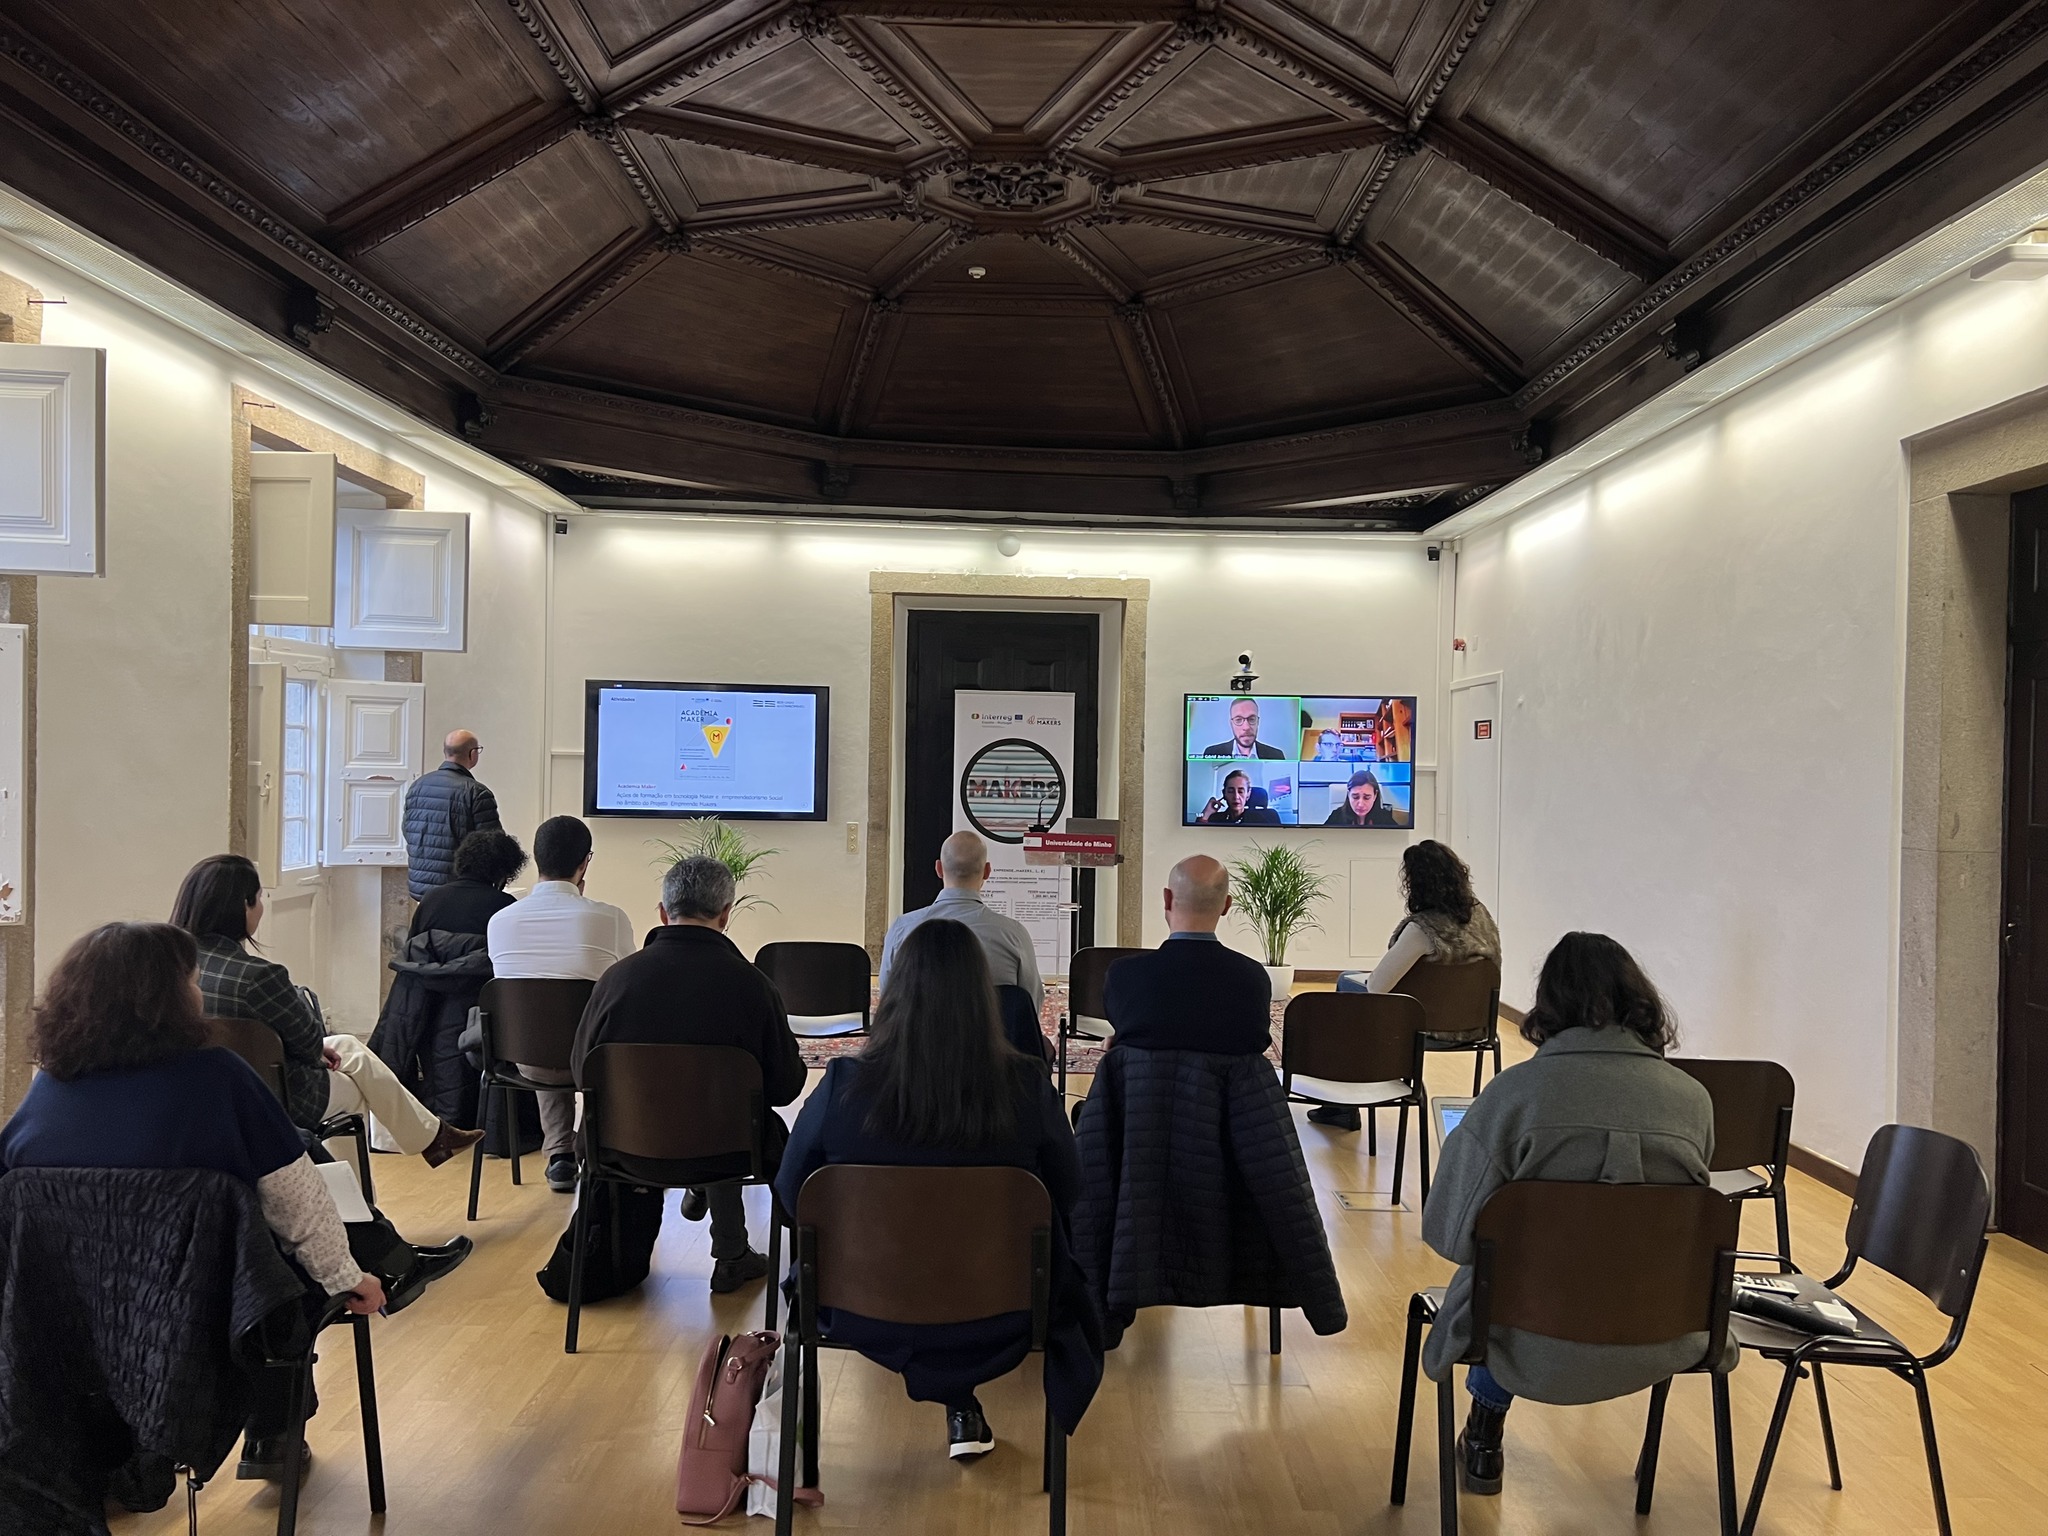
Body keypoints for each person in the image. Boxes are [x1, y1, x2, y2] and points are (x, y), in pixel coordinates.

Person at [0, 922, 384, 1480]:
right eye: (192, 981)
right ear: (166, 999)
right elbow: (298, 1201)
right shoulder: (219, 1075)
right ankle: (273, 1436)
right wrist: (347, 1277)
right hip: (206, 1317)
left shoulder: (50, 1086)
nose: (199, 992)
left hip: (69, 1325)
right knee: (281, 1276)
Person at [776, 919, 1102, 1460]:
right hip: (1007, 1309)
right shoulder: (1026, 1086)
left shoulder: (841, 1087)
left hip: (858, 1305)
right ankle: (963, 1402)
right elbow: (1067, 1194)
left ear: (892, 995)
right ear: (982, 997)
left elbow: (792, 1197)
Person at [1421, 933, 1716, 1498]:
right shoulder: (1693, 1101)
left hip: (1531, 1340)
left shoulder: (1514, 1095)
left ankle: (1484, 1433)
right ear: (1639, 999)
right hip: (1665, 1338)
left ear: (1547, 1004)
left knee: (1494, 1274)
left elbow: (1449, 1234)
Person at [571, 855, 803, 1293]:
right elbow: (786, 1086)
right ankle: (730, 1252)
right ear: (725, 915)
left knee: (707, 1115)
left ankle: (713, 1219)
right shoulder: (752, 985)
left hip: (623, 1150)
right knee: (731, 1115)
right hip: (729, 1152)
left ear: (663, 912)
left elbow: (582, 1068)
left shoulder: (616, 980)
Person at [171, 854, 484, 1168]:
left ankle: (426, 1136)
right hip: (275, 1094)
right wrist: (315, 1047)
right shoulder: (259, 976)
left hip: (197, 1091)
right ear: (243, 906)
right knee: (354, 1090)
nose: (262, 907)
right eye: (260, 898)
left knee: (348, 1046)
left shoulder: (170, 964)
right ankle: (360, 1191)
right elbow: (308, 1044)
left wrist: (316, 1048)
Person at [487, 815, 637, 1193]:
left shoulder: (500, 922)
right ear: (585, 862)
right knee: (592, 1024)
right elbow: (628, 985)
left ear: (537, 858)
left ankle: (560, 1155)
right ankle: (597, 1146)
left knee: (544, 1026)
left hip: (525, 1058)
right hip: (593, 1064)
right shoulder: (609, 919)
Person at [1318, 839, 1502, 1129]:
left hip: (1423, 1029)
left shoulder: (1422, 929)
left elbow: (1377, 987)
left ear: (1416, 883)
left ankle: (1342, 1107)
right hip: (1478, 1026)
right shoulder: (1481, 916)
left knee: (1346, 982)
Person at [372, 829, 526, 1125]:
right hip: (479, 1020)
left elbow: (414, 957)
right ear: (505, 870)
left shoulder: (431, 901)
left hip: (425, 1014)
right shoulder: (504, 908)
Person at [1101, 855, 1270, 1055]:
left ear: (1167, 899)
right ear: (1226, 905)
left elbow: (1131, 1033)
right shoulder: (1254, 977)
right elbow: (1255, 1044)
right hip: (1226, 1078)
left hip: (1145, 1077)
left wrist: (1121, 1042)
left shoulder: (1123, 974)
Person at [879, 830, 1043, 1012]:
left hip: (918, 1031)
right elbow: (1030, 1007)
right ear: (987, 871)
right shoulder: (1014, 935)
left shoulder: (902, 929)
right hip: (991, 1031)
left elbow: (888, 1002)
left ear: (939, 869)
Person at [401, 729, 502, 899]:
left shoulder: (418, 786)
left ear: (446, 752)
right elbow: (492, 845)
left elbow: (407, 830)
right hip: (458, 890)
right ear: (473, 754)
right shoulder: (476, 793)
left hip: (420, 887)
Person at [1199, 697, 1285, 759]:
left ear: (1258, 722)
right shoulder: (1212, 752)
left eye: (1252, 719)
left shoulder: (1276, 755)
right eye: (1238, 720)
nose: (1246, 727)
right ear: (1231, 724)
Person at [1196, 768, 1282, 826]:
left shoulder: (1267, 818)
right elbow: (1198, 838)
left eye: (1240, 791)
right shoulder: (1215, 818)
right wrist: (1205, 815)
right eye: (1231, 791)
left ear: (1248, 794)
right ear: (1224, 794)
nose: (1236, 796)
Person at [1323, 769, 1403, 828]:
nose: (1360, 804)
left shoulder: (1385, 819)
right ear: (1348, 794)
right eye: (1355, 797)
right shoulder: (1336, 816)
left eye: (1367, 797)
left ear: (1375, 796)